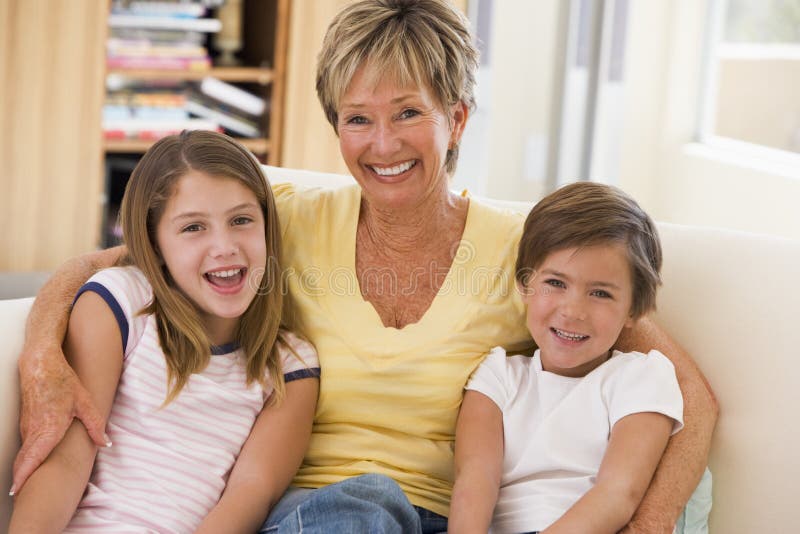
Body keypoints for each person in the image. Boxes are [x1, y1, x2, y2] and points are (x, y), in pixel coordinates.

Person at [13, 1, 717, 532]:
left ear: (458, 119)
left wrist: (646, 526)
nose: (383, 144)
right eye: (357, 119)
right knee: (359, 509)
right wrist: (43, 361)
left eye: (408, 112)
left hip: (444, 518)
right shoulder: (280, 221)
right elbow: (103, 262)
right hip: (309, 516)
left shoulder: (528, 254)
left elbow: (690, 391)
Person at [9, 131, 320, 533]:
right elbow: (66, 458)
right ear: (154, 244)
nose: (224, 246)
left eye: (241, 220)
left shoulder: (291, 363)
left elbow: (252, 491)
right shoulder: (121, 302)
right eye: (193, 228)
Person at [448, 182, 683, 534]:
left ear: (634, 309)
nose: (573, 311)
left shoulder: (641, 377)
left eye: (600, 293)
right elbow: (474, 480)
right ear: (525, 285)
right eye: (556, 283)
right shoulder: (496, 376)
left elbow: (619, 492)